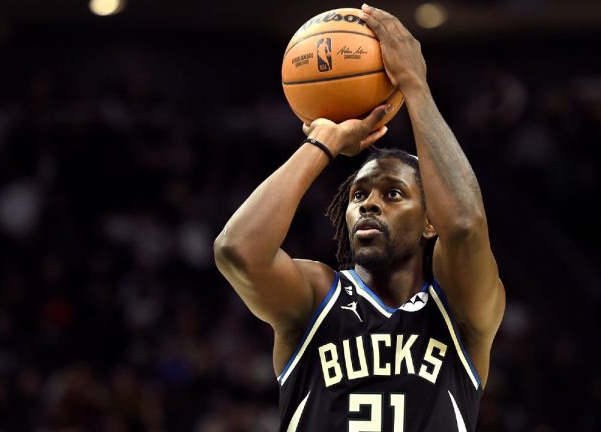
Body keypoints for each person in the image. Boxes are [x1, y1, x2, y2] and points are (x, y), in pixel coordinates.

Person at [214, 4, 505, 431]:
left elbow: (463, 225)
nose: (369, 204)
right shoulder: (316, 297)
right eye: (358, 194)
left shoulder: (458, 307)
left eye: (393, 194)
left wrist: (415, 86)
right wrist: (323, 144)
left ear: (429, 222)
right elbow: (236, 250)